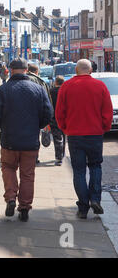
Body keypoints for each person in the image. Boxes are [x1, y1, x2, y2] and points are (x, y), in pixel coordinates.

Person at [0, 58, 53, 222]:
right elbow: (48, 114)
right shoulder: (38, 89)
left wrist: (1, 125)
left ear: (10, 70)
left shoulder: (3, 89)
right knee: (27, 175)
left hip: (9, 139)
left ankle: (11, 198)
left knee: (8, 168)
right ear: (26, 70)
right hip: (30, 141)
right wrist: (37, 125)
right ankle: (24, 207)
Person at [55, 59, 113, 219]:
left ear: (76, 70)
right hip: (95, 134)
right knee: (95, 167)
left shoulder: (66, 86)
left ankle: (83, 206)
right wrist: (104, 128)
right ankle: (95, 198)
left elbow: (59, 112)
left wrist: (65, 128)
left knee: (79, 171)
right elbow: (107, 111)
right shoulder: (100, 86)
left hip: (75, 135)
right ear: (90, 71)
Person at [49, 76, 66, 166]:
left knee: (57, 138)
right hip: (65, 117)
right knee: (64, 136)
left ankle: (59, 158)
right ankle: (62, 155)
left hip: (54, 117)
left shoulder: (50, 92)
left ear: (55, 82)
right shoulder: (65, 91)